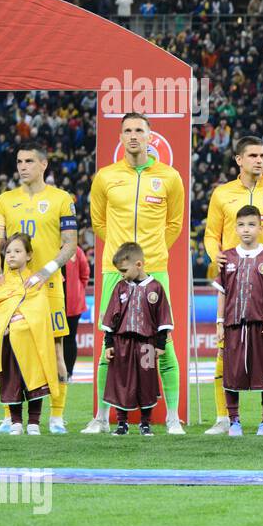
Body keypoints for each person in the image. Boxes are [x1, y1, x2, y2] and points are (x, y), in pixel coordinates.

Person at [83, 115, 186, 435]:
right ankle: (100, 418)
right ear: (120, 136)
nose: (133, 136)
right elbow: (98, 222)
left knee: (163, 344)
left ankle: (172, 419)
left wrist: (147, 258)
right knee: (108, 346)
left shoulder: (170, 177)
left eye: (139, 130)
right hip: (114, 272)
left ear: (150, 136)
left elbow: (175, 225)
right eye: (127, 131)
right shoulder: (105, 177)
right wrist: (123, 260)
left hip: (155, 268)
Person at [204, 136, 263, 435]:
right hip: (234, 285)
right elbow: (210, 234)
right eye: (253, 155)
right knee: (225, 351)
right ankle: (224, 418)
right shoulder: (222, 194)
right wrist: (214, 257)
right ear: (238, 160)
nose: (259, 160)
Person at [0, 145, 78, 434]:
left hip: (49, 287)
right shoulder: (5, 200)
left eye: (29, 161)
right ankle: (8, 416)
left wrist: (44, 271)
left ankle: (57, 417)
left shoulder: (62, 199)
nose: (22, 166)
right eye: (19, 161)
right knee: (6, 348)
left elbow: (70, 244)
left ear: (43, 165)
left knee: (56, 351)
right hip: (12, 290)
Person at [212, 205, 263, 436]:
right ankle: (234, 421)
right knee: (232, 373)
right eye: (242, 225)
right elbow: (222, 292)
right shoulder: (228, 256)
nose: (246, 230)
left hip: (260, 324)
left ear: (261, 228)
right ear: (235, 228)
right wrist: (219, 322)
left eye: (251, 225)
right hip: (234, 324)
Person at [0, 233, 60, 435]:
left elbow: (40, 313)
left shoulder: (36, 281)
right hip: (7, 341)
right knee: (11, 381)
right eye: (8, 252)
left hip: (32, 341)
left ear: (28, 255)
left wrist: (25, 324)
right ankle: (15, 422)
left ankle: (34, 422)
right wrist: (3, 326)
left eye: (17, 251)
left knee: (35, 381)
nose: (11, 256)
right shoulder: (0, 283)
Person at [100, 241, 175, 437]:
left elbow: (163, 318)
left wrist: (160, 344)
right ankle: (122, 424)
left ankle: (145, 424)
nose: (121, 274)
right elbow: (111, 317)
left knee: (147, 383)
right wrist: (109, 344)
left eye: (124, 270)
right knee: (121, 382)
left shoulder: (156, 288)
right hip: (121, 344)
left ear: (139, 265)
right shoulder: (119, 288)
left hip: (147, 345)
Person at [62, 239, 90, 384]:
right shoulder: (50, 248)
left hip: (73, 305)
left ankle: (68, 372)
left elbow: (85, 274)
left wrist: (77, 292)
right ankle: (55, 371)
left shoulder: (76, 250)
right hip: (54, 304)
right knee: (53, 340)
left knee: (69, 339)